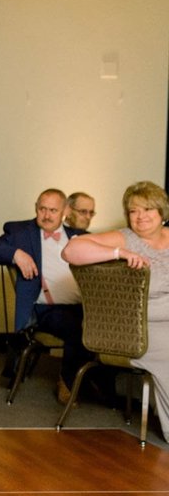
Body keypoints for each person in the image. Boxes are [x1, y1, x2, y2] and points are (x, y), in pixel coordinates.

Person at [62, 181, 169, 437]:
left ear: (162, 212)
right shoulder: (125, 237)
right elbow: (71, 250)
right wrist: (119, 252)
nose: (141, 216)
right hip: (138, 328)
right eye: (134, 211)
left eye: (148, 209)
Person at [0, 188, 90, 404]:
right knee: (78, 328)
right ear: (36, 208)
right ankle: (67, 383)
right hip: (45, 309)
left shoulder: (80, 237)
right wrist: (15, 253)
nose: (46, 215)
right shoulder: (20, 232)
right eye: (42, 209)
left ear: (65, 211)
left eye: (53, 210)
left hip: (83, 307)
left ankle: (102, 387)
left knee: (112, 328)